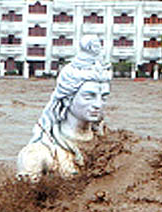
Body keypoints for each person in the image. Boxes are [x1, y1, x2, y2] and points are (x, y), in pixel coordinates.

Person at [16, 35, 111, 180]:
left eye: (103, 97)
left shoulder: (109, 144)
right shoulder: (39, 155)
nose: (98, 104)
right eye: (89, 96)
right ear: (67, 99)